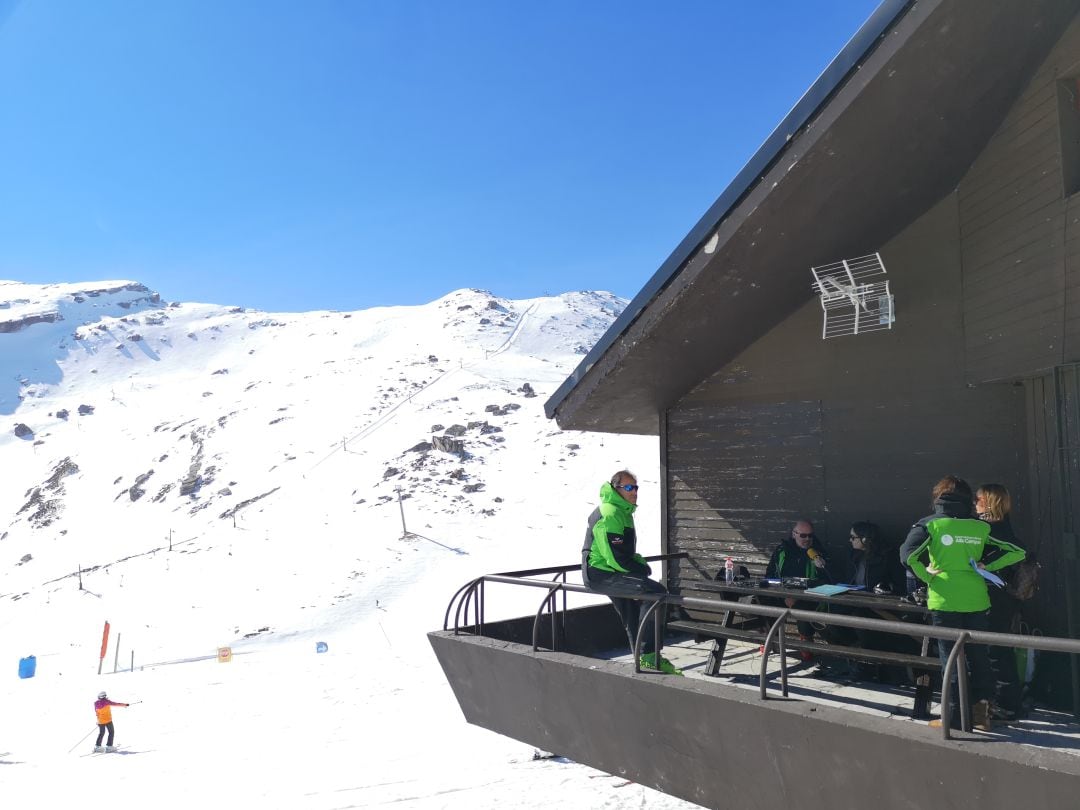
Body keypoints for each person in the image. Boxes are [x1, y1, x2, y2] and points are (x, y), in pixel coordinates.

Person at [900, 476, 1025, 731]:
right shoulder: (979, 527)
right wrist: (987, 566)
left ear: (939, 497)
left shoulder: (931, 524)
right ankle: (981, 716)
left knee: (951, 659)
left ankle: (954, 719)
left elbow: (907, 555)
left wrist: (927, 576)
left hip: (945, 601)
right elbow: (1018, 551)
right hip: (978, 599)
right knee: (980, 657)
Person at [582, 470, 681, 675]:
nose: (634, 491)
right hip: (602, 573)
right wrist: (639, 569)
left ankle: (643, 660)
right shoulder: (610, 513)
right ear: (616, 488)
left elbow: (626, 553)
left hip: (607, 571)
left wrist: (639, 564)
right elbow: (615, 557)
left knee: (631, 611)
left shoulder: (622, 511)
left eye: (635, 487)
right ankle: (649, 656)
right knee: (656, 594)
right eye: (628, 487)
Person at [822, 522, 913, 680]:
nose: (850, 541)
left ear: (865, 538)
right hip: (853, 599)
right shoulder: (852, 555)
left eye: (853, 537)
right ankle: (856, 657)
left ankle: (865, 665)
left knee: (862, 622)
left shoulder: (887, 556)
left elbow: (899, 585)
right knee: (830, 617)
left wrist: (885, 588)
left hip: (877, 606)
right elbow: (844, 578)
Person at [976, 483, 1027, 719]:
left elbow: (1018, 552)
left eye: (978, 500)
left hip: (994, 595)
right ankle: (1007, 701)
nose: (973, 504)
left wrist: (987, 566)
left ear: (988, 502)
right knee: (999, 649)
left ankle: (1006, 704)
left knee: (995, 650)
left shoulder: (989, 529)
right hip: (1005, 596)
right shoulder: (1004, 525)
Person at [764, 519, 831, 652]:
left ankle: (806, 642)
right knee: (760, 601)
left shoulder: (818, 553)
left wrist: (822, 567)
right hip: (782, 594)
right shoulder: (781, 551)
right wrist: (783, 595)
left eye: (810, 535)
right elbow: (770, 575)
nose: (807, 539)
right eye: (803, 535)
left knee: (804, 607)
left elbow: (827, 582)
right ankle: (769, 639)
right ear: (794, 534)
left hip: (807, 597)